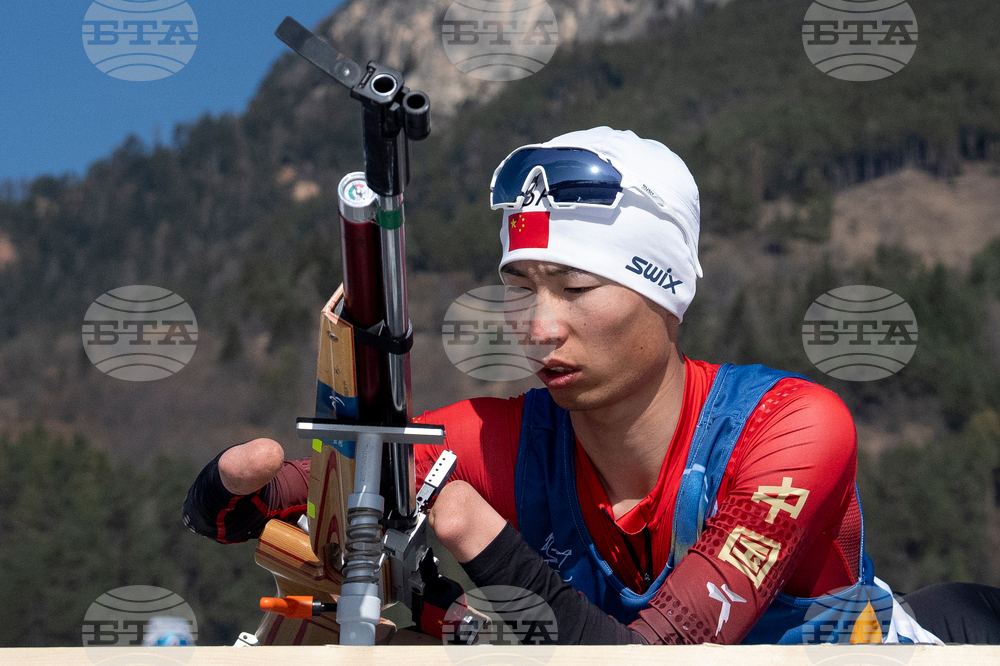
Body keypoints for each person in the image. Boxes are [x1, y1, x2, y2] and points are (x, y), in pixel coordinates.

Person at [183, 127, 993, 644]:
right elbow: (279, 509)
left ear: (662, 295)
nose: (538, 327)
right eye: (521, 287)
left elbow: (651, 657)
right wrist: (236, 486)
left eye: (573, 290)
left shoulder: (795, 427)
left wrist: (479, 539)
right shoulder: (492, 439)